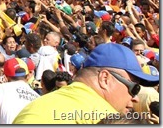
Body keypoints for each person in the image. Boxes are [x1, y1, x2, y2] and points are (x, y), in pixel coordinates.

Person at [13, 43, 160, 124]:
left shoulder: (38, 104)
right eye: (134, 88)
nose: (135, 98)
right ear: (105, 79)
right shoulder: (106, 118)